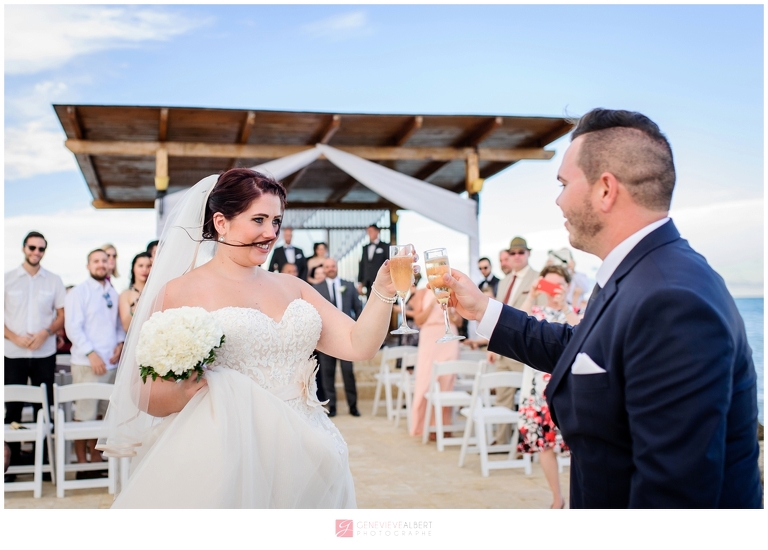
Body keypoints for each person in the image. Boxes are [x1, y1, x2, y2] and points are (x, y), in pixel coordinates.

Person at [440, 108, 762, 508]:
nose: (557, 200)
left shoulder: (672, 301)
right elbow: (577, 347)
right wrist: (483, 309)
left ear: (605, 190)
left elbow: (672, 499)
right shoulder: (638, 272)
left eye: (563, 184)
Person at [98, 168, 413, 508]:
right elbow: (143, 390)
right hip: (229, 450)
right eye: (259, 220)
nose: (271, 233)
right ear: (221, 222)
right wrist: (186, 390)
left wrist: (383, 291)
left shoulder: (294, 287)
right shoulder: (179, 292)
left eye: (276, 221)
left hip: (309, 451)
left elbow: (358, 344)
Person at [517, 264, 580, 509]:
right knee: (544, 444)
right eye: (550, 284)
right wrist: (531, 295)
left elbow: (583, 335)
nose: (555, 290)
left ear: (568, 286)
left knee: (576, 445)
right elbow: (516, 328)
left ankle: (578, 498)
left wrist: (565, 306)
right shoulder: (535, 312)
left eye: (560, 285)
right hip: (536, 389)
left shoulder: (575, 312)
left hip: (568, 389)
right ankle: (557, 498)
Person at [4, 231, 66, 467]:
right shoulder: (7, 279)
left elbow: (62, 315)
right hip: (13, 353)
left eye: (41, 248)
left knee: (45, 407)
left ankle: (45, 463)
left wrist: (46, 333)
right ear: (24, 248)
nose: (36, 252)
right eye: (32, 247)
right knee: (13, 409)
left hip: (44, 353)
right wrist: (14, 337)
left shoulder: (54, 280)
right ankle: (12, 463)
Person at [65, 249, 125, 471]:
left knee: (102, 414)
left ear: (110, 264)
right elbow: (73, 327)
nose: (101, 264)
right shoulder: (78, 292)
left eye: (104, 261)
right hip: (87, 363)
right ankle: (82, 464)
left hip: (110, 363)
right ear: (88, 265)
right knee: (84, 414)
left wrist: (119, 344)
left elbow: (117, 325)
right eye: (96, 261)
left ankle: (96, 459)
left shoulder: (113, 292)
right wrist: (91, 354)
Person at [488, 236, 542, 445]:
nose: (517, 256)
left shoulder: (537, 278)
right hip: (503, 348)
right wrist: (493, 346)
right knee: (503, 395)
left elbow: (542, 314)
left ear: (528, 254)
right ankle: (502, 441)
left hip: (524, 348)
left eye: (521, 252)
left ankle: (525, 443)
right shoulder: (503, 282)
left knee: (528, 397)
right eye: (513, 253)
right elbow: (498, 314)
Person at [312, 258, 362, 417]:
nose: (330, 269)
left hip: (347, 338)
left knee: (348, 372)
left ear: (336, 267)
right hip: (326, 338)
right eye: (327, 266)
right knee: (327, 373)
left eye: (333, 266)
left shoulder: (349, 285)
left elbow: (358, 309)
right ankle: (331, 406)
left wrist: (359, 330)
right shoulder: (316, 288)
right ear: (324, 269)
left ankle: (353, 406)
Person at [408, 286, 461, 438]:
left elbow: (459, 322)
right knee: (426, 380)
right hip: (429, 337)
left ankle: (443, 425)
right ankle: (424, 425)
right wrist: (432, 305)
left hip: (449, 337)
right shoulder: (422, 293)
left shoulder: (453, 291)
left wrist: (449, 311)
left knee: (447, 380)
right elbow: (418, 320)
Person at [547, 247, 590, 312]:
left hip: (574, 308)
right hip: (556, 308)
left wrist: (572, 271)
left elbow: (585, 289)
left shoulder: (579, 275)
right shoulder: (554, 276)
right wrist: (548, 268)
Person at [118, 252, 152, 332]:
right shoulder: (126, 294)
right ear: (133, 268)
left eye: (148, 266)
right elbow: (126, 327)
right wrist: (135, 308)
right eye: (140, 266)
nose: (144, 270)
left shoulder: (157, 291)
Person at [358, 225, 389, 299]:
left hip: (382, 282)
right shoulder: (365, 248)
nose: (369, 233)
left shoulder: (385, 246)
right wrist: (360, 282)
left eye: (371, 231)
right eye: (368, 231)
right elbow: (362, 265)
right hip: (368, 283)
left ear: (377, 232)